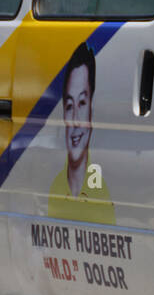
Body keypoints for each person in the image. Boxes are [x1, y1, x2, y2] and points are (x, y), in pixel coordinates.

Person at [47, 41, 116, 225]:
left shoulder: (102, 193)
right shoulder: (53, 188)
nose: (76, 120)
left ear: (92, 110)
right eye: (69, 106)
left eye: (82, 103)